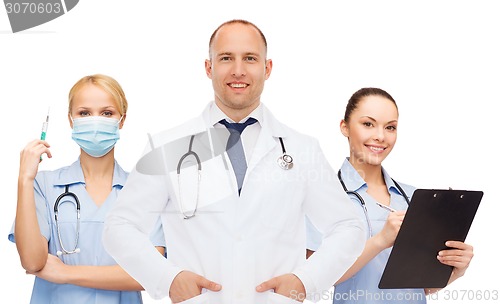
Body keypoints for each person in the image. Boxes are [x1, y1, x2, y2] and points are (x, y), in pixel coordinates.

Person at [102, 19, 365, 304]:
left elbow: (348, 227)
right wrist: (168, 279)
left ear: (267, 69)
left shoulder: (302, 149)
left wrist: (306, 281)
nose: (238, 70)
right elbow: (120, 227)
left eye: (250, 58)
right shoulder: (168, 147)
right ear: (208, 67)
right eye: (226, 58)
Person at [306, 87, 474, 303]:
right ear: (344, 127)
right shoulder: (323, 195)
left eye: (390, 127)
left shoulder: (414, 198)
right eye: (368, 124)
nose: (380, 136)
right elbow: (314, 280)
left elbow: (420, 287)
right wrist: (381, 240)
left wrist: (455, 270)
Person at [8, 74, 166, 304]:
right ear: (71, 120)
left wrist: (65, 273)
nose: (95, 121)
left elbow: (151, 274)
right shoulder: (44, 185)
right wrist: (24, 178)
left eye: (106, 113)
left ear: (121, 120)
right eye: (84, 113)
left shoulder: (144, 189)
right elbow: (33, 262)